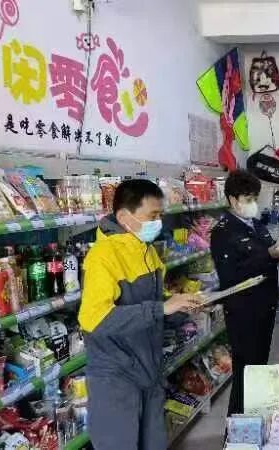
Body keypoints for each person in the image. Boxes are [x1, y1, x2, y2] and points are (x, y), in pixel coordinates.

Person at [79, 179, 202, 450]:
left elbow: (154, 307)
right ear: (125, 217)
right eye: (152, 216)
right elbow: (94, 319)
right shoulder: (102, 256)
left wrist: (181, 308)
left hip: (149, 369)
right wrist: (161, 308)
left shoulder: (146, 251)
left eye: (160, 215)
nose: (158, 223)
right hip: (116, 377)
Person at [210, 170, 279, 415]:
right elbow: (231, 275)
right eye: (248, 199)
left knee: (259, 368)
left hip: (265, 305)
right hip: (243, 311)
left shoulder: (256, 225)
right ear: (232, 199)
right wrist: (268, 255)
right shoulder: (223, 231)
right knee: (245, 372)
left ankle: (254, 422)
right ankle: (236, 427)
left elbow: (266, 255)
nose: (253, 203)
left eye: (255, 198)